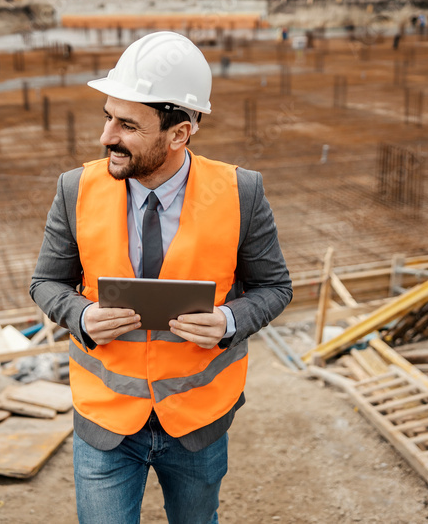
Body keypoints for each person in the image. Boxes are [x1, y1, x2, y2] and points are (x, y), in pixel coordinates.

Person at [30, 31, 292, 524]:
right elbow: (45, 283)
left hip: (197, 425)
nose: (106, 136)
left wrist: (229, 321)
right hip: (105, 423)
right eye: (107, 116)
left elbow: (275, 288)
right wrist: (81, 315)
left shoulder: (242, 193)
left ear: (179, 134)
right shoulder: (75, 189)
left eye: (127, 124)